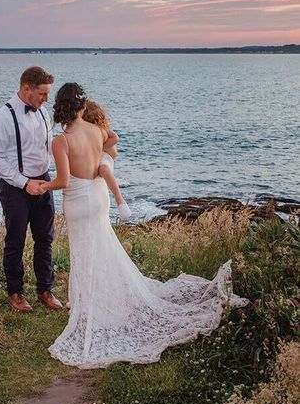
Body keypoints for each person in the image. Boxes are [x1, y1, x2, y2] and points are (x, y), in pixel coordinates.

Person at [40, 83, 248, 369]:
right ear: (81, 106)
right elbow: (109, 148)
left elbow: (63, 181)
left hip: (78, 200)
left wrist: (42, 186)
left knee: (85, 251)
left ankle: (88, 305)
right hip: (99, 197)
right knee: (102, 247)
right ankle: (86, 300)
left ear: (59, 107)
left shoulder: (61, 141)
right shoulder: (97, 131)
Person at [0, 66, 63, 313]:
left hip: (44, 182)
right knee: (15, 241)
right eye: (42, 94)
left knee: (45, 238)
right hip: (16, 188)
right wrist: (24, 183)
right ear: (26, 89)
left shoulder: (43, 114)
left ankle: (45, 290)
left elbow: (47, 148)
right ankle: (15, 293)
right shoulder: (3, 117)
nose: (46, 99)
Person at [82, 99, 132, 221]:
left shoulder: (101, 128)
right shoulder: (81, 129)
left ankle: (120, 200)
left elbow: (115, 138)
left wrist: (100, 149)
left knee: (103, 169)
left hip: (105, 155)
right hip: (92, 156)